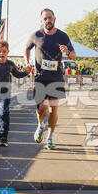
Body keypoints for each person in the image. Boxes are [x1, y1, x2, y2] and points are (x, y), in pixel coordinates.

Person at [25, 8, 76, 149]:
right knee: (41, 107)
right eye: (45, 18)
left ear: (54, 18)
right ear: (41, 21)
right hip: (40, 76)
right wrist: (27, 63)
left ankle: (50, 138)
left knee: (53, 109)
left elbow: (73, 55)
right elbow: (27, 49)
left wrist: (67, 52)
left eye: (50, 18)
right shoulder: (36, 35)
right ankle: (40, 125)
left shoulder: (63, 36)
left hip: (56, 77)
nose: (48, 20)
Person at [0, 40, 30, 147]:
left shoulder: (10, 64)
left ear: (8, 51)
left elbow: (17, 74)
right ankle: (0, 135)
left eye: (4, 51)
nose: (2, 53)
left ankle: (4, 138)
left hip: (6, 93)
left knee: (3, 113)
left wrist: (26, 72)